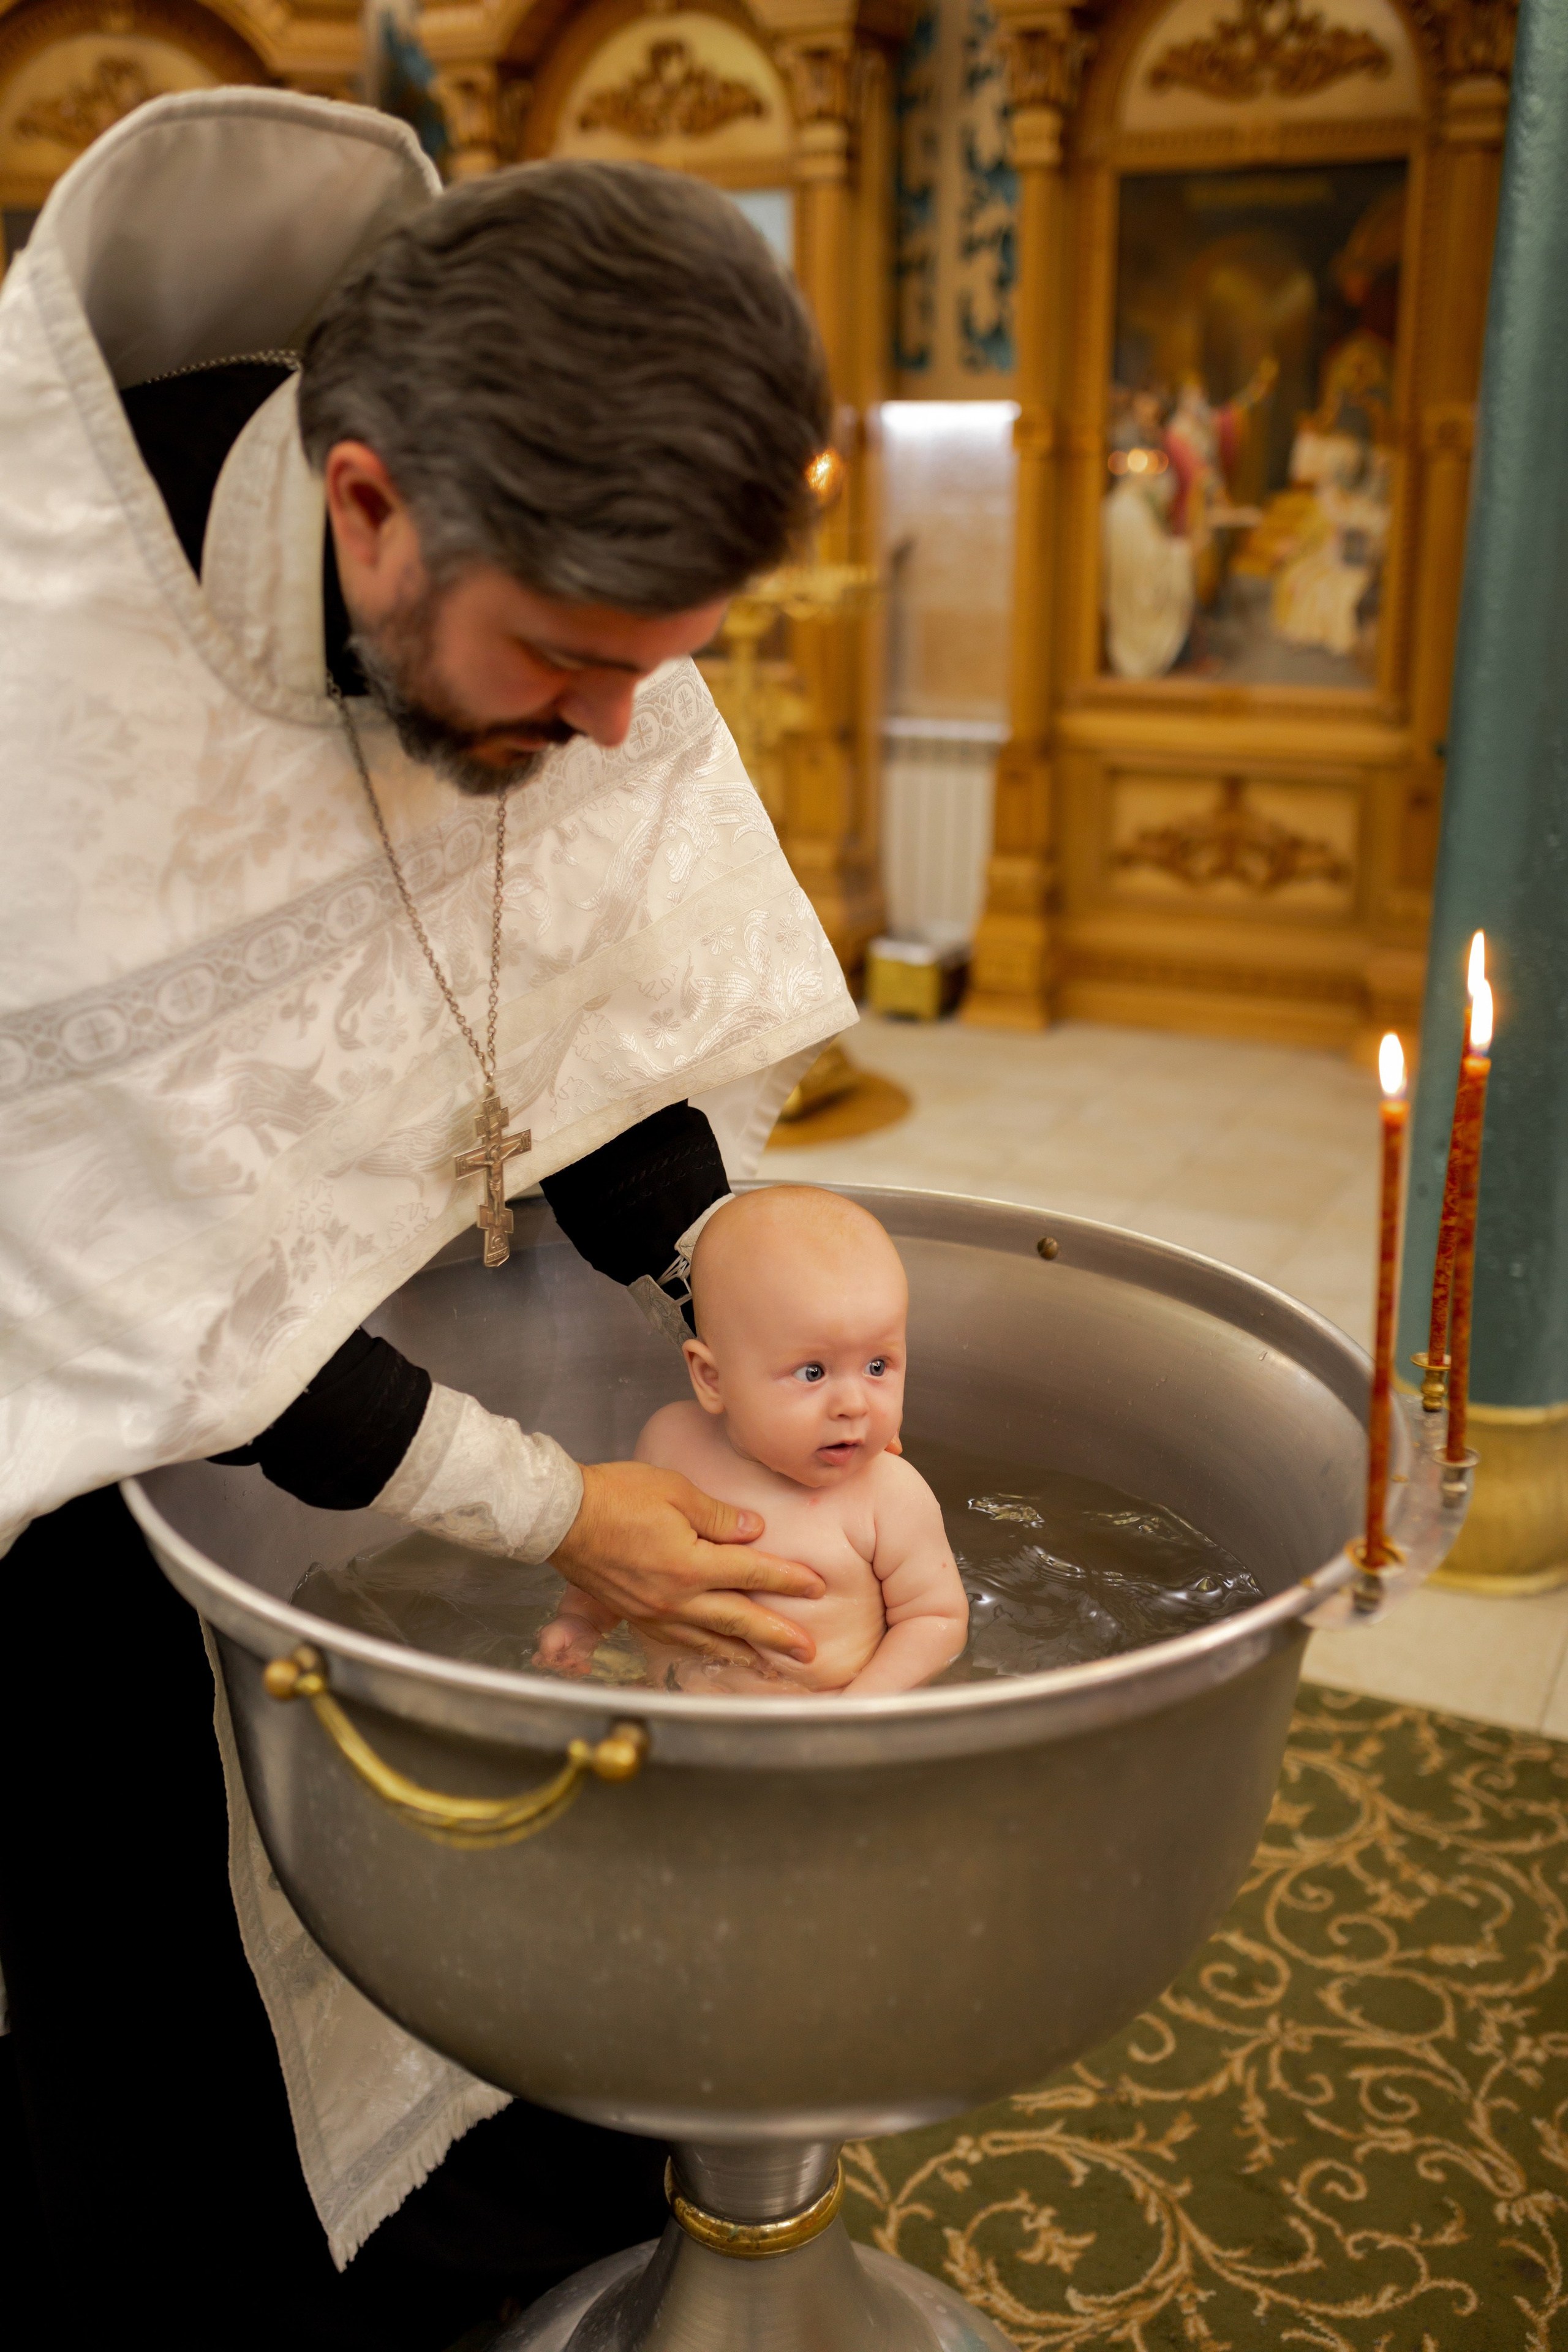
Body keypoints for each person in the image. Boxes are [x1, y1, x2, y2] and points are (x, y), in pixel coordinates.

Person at [0, 88, 857, 2348]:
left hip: (420, 1366)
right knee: (147, 1973)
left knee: (546, 1850)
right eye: (570, 663)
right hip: (83, 1465)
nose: (611, 726)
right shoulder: (42, 663)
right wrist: (537, 1499)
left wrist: (705, 1258)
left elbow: (573, 976)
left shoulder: (563, 588)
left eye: (651, 671)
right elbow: (111, 1248)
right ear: (364, 506)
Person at [537, 1188, 970, 1695]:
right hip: (664, 1703)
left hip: (812, 1726)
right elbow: (619, 1555)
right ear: (712, 1379)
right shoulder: (671, 1443)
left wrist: (853, 1714)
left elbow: (935, 1620)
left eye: (878, 1366)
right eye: (813, 1372)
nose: (854, 1404)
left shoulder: (887, 1497)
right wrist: (583, 1622)